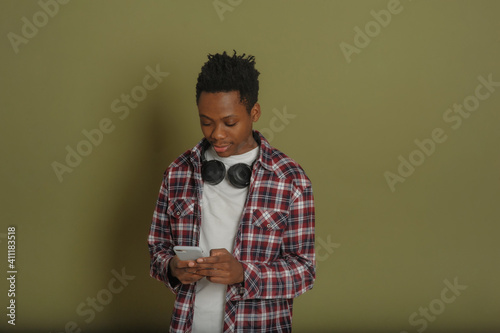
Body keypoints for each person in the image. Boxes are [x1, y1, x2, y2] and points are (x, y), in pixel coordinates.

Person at [148, 51, 315, 333]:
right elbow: (157, 251)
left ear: (254, 113)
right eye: (206, 121)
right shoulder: (177, 172)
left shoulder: (291, 179)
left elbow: (304, 272)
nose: (217, 134)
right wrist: (172, 267)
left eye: (229, 122)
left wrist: (244, 274)